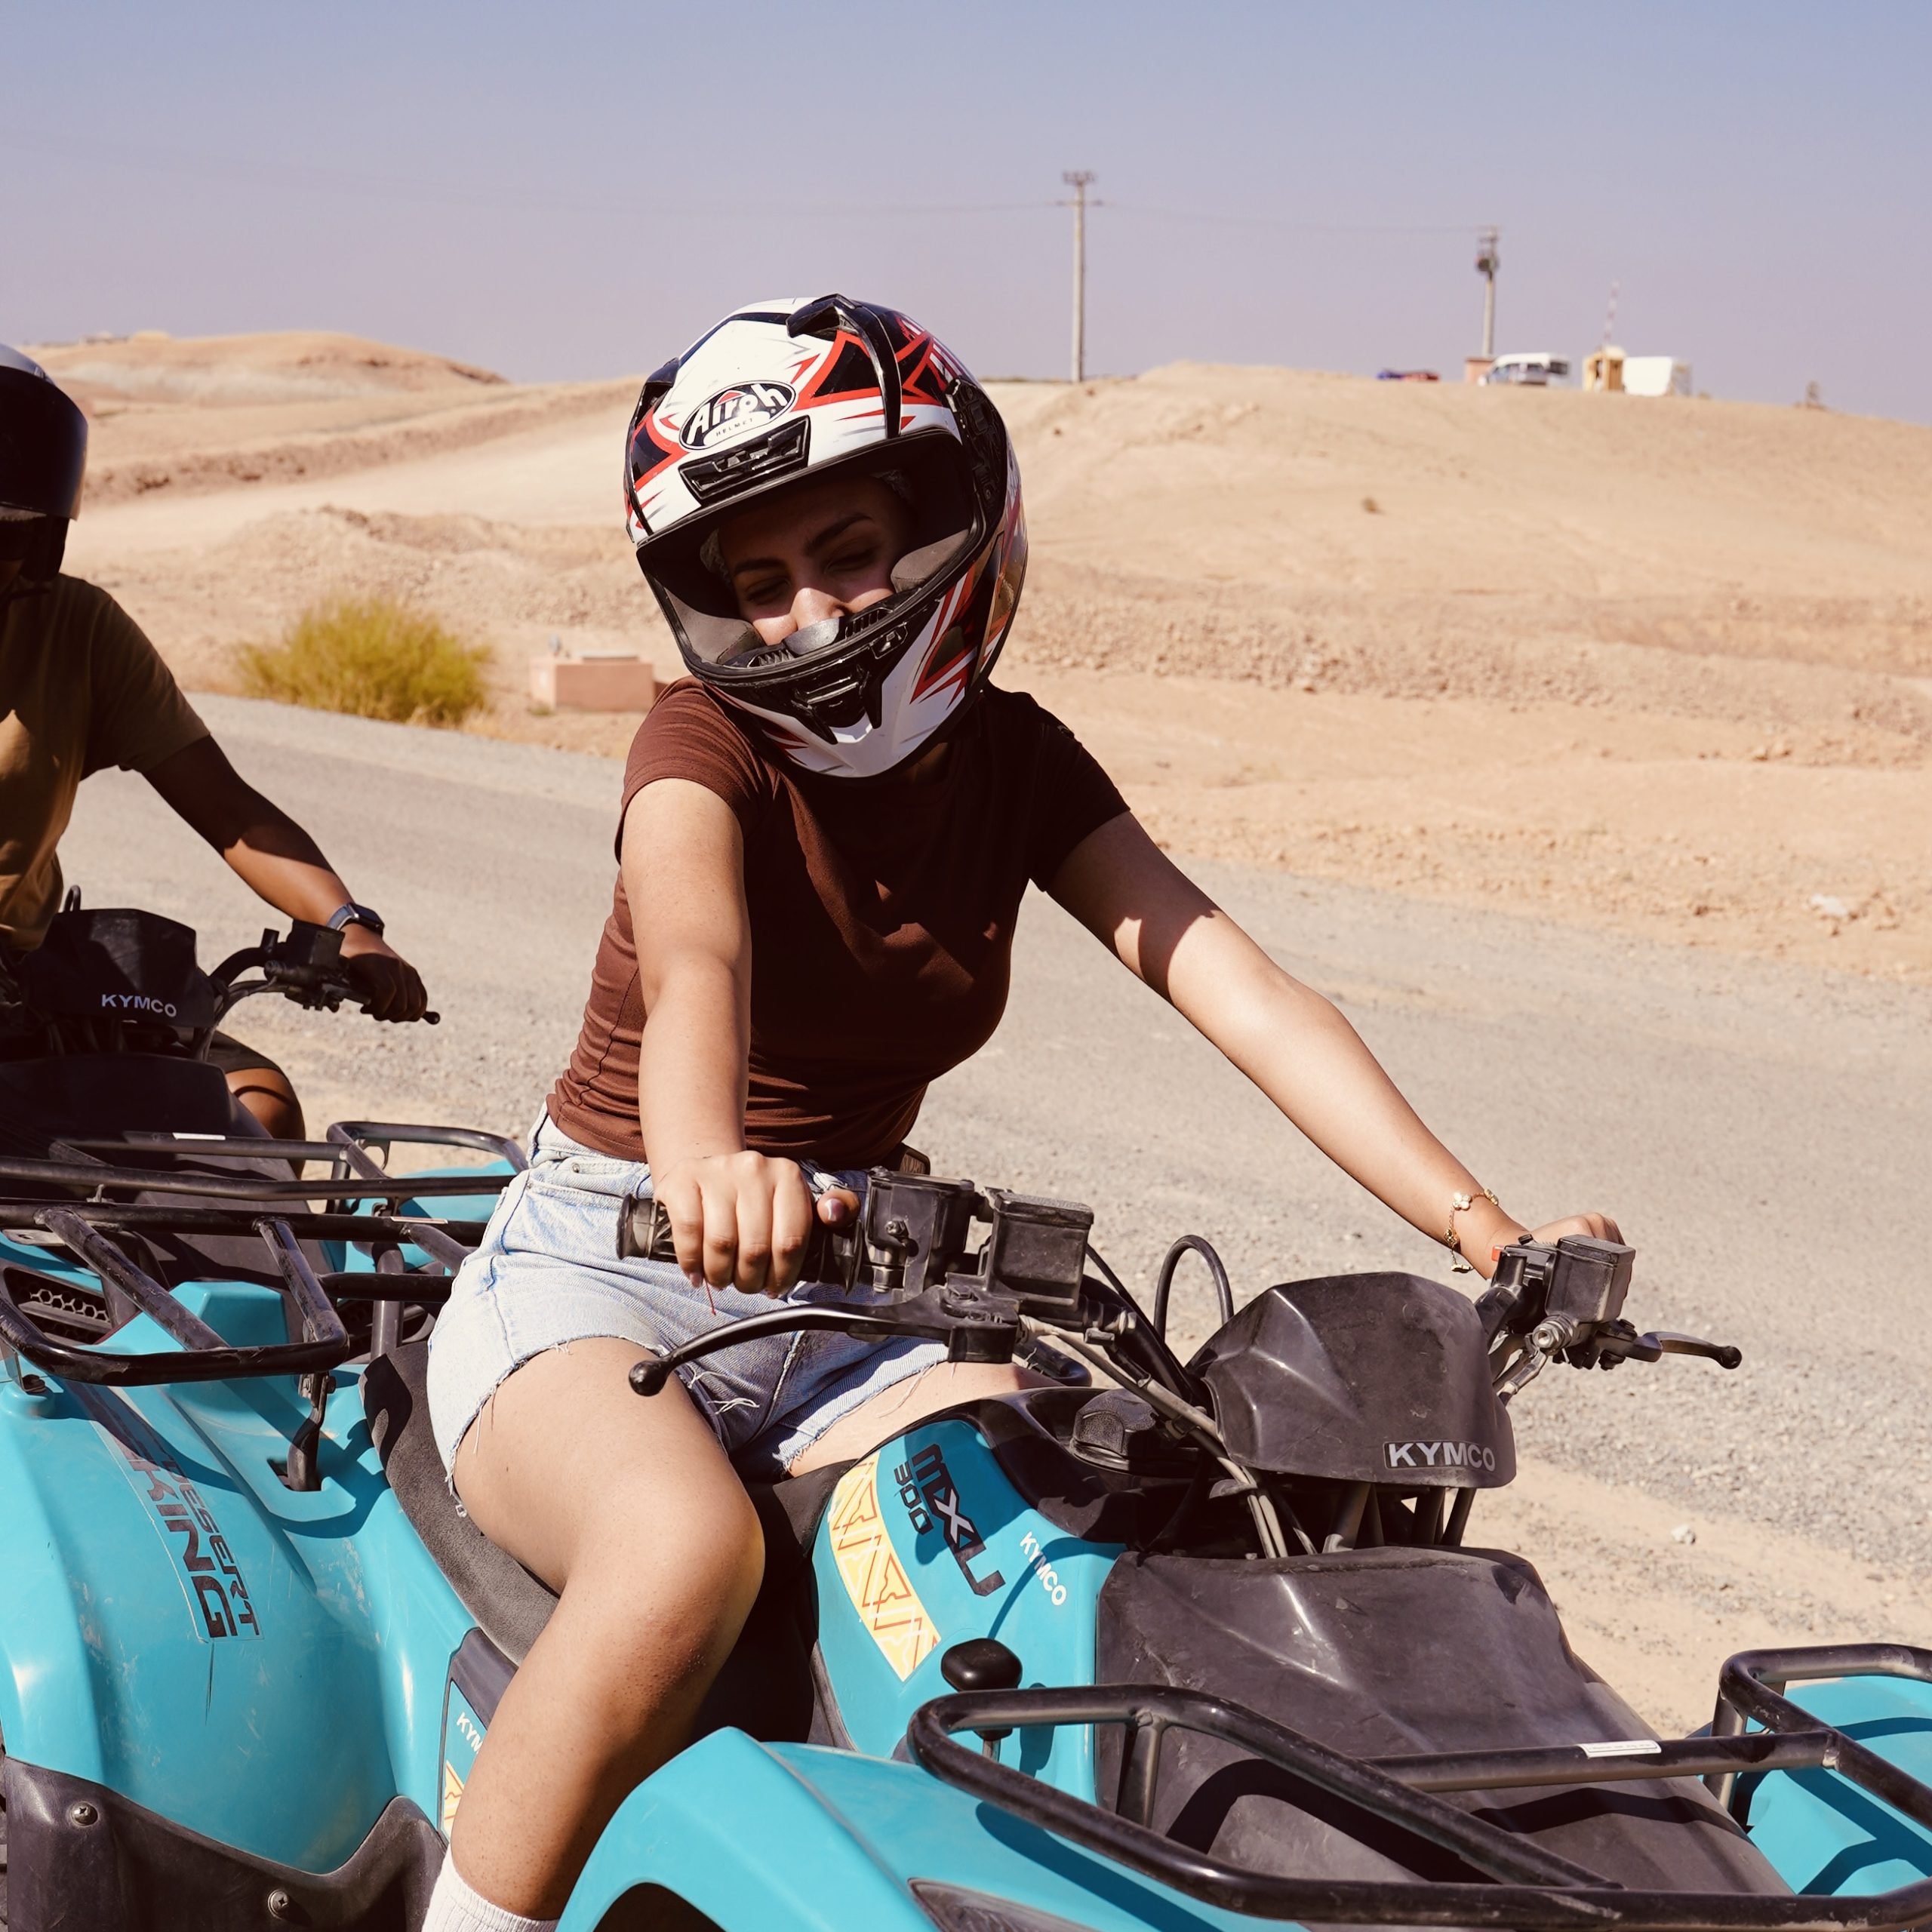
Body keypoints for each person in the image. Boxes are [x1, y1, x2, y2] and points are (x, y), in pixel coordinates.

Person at [420, 295, 1621, 1932]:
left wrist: (1496, 1230)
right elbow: (694, 954)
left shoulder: (1018, 762)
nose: (805, 616)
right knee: (676, 1558)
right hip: (609, 1259)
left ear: (949, 526)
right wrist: (707, 1164)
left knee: (1090, 1519)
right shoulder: (697, 742)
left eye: (846, 548)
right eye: (755, 583)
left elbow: (1238, 988)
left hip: (856, 1285)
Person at [0, 343, 429, 1135]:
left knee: (256, 1110)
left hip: (23, 995)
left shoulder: (77, 629)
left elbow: (228, 810)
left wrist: (348, 927)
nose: (3, 553)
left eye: (15, 529)